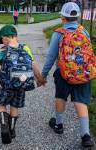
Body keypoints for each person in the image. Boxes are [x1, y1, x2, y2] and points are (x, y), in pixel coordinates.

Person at [40, 2, 94, 148]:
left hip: (63, 73)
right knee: (80, 101)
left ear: (63, 17)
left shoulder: (58, 33)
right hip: (83, 73)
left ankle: (58, 125)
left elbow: (51, 58)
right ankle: (86, 135)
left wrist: (43, 76)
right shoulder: (84, 32)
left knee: (60, 97)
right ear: (77, 16)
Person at [0, 25, 43, 144]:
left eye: (2, 39)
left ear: (5, 38)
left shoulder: (4, 50)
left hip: (6, 85)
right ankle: (12, 130)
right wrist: (39, 79)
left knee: (2, 104)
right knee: (14, 106)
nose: (2, 42)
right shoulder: (26, 48)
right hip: (21, 85)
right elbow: (33, 65)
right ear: (15, 36)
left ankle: (4, 127)